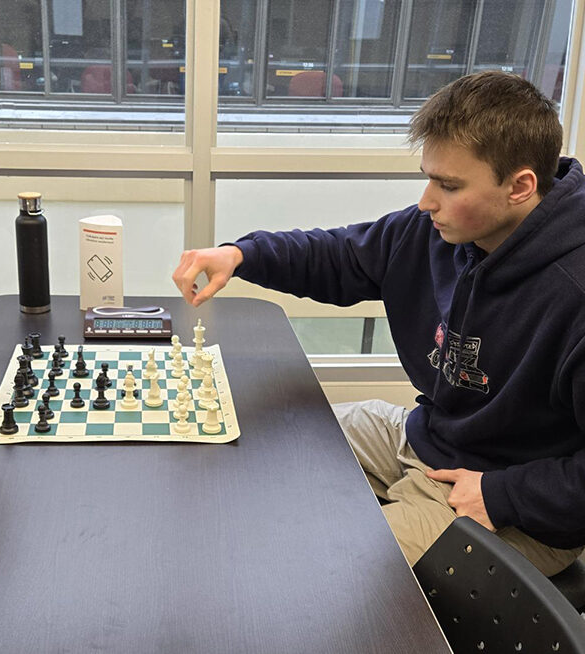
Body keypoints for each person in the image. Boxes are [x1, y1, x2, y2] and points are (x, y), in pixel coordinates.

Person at [172, 70, 585, 577]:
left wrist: (504, 495)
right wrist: (242, 254)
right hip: (423, 437)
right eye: (428, 177)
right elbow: (341, 256)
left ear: (520, 186)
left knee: (324, 571)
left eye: (449, 185)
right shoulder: (439, 230)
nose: (426, 201)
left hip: (507, 503)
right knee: (260, 441)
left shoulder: (575, 291)